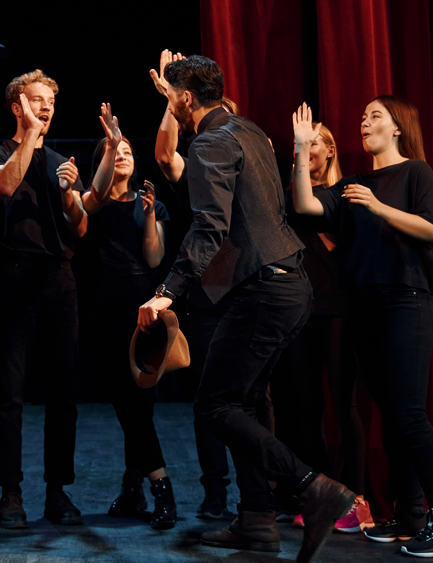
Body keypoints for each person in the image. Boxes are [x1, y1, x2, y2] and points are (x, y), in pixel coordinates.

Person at [138, 55, 355, 563]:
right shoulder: (249, 130)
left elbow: (209, 225)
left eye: (173, 98)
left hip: (264, 290)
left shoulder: (212, 141)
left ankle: (314, 487)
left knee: (215, 405)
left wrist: (165, 291)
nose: (171, 105)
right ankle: (257, 519)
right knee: (250, 403)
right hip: (287, 285)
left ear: (186, 99)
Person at [291, 98, 433, 557]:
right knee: (391, 416)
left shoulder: (415, 174)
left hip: (405, 302)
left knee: (409, 414)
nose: (365, 121)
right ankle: (409, 518)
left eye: (375, 116)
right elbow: (306, 204)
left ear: (398, 130)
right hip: (365, 309)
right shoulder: (353, 185)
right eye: (364, 114)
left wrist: (378, 207)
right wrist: (299, 148)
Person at [149, 50, 256, 521]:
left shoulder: (241, 148)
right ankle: (216, 494)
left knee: (252, 399)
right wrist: (170, 100)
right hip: (210, 288)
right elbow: (163, 155)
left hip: (248, 285)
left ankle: (259, 499)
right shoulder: (200, 155)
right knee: (210, 398)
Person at [0, 69, 88, 529]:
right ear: (16, 105)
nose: (45, 107)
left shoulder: (63, 159)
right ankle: (10, 494)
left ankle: (58, 492)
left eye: (50, 101)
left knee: (63, 392)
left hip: (59, 279)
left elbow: (81, 228)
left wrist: (69, 198)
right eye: (36, 100)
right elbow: (3, 186)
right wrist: (30, 135)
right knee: (9, 392)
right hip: (13, 277)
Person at [270, 125, 374, 533]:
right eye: (301, 142)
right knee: (306, 411)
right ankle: (320, 496)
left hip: (340, 310)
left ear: (329, 151)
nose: (306, 148)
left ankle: (358, 500)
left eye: (314, 142)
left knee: (345, 408)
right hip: (300, 311)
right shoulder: (287, 196)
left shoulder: (348, 192)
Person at [81, 104, 176, 528]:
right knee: (127, 401)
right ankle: (147, 489)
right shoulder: (94, 201)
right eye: (115, 151)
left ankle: (145, 489)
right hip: (104, 306)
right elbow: (90, 209)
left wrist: (152, 215)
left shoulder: (149, 201)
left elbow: (155, 259)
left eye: (127, 152)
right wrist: (110, 143)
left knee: (140, 403)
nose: (123, 156)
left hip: (143, 306)